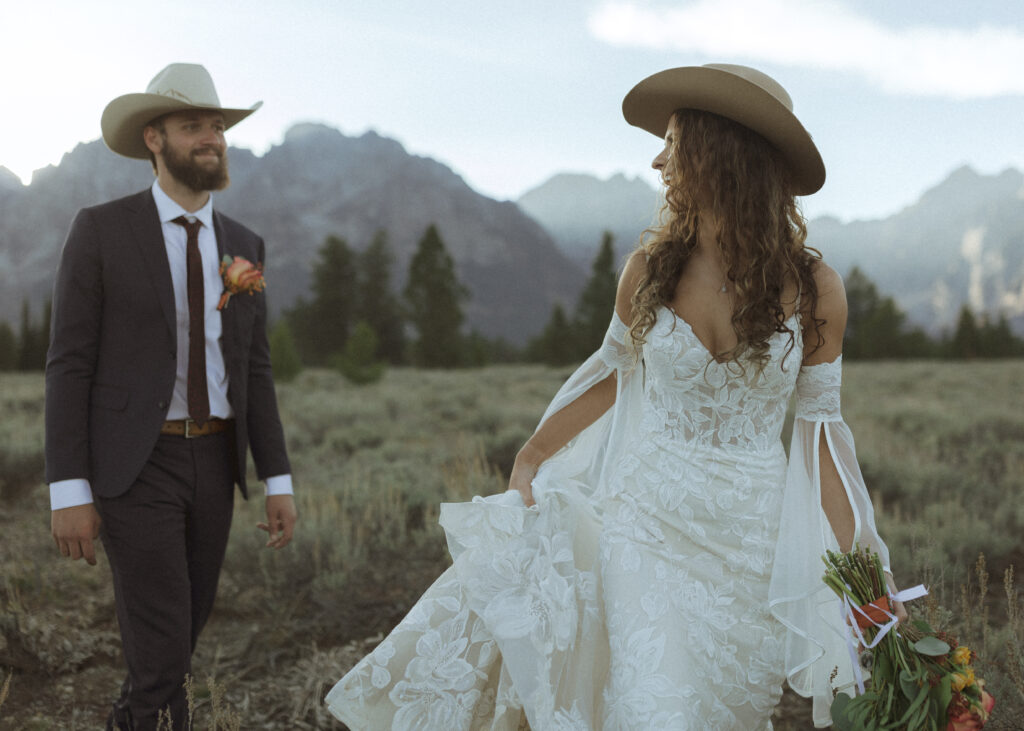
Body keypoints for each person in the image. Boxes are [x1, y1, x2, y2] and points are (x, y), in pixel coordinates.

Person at [325, 63, 904, 730]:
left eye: (675, 142)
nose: (659, 161)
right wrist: (531, 454)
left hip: (750, 546)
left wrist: (867, 577)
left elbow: (822, 438)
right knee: (659, 707)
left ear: (721, 152)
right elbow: (608, 373)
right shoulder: (649, 271)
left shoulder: (814, 287)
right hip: (646, 523)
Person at [46, 63, 298, 731]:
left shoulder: (243, 244)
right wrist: (68, 488)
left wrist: (278, 477)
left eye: (217, 126)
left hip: (217, 464)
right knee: (160, 642)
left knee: (183, 629)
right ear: (154, 139)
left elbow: (256, 370)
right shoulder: (100, 230)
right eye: (194, 127)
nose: (212, 138)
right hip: (137, 463)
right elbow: (68, 363)